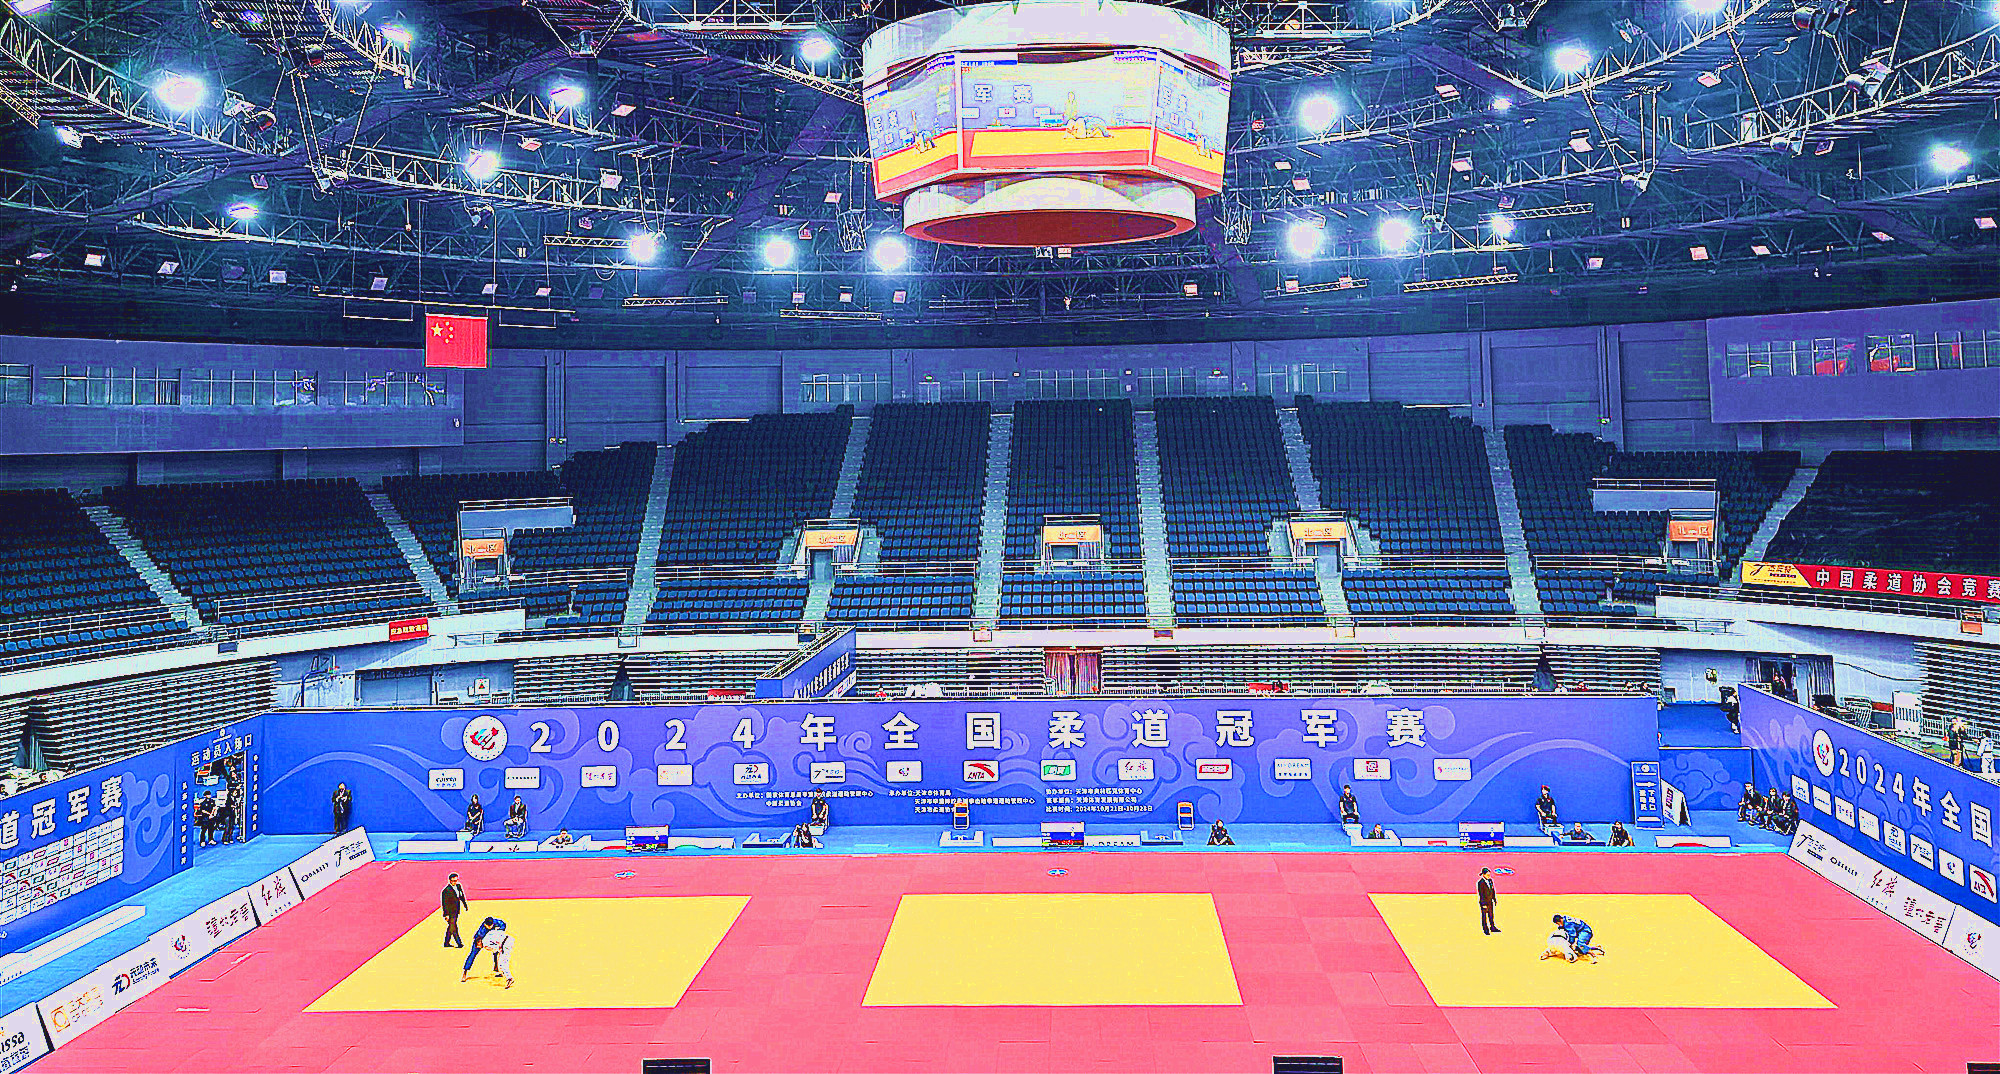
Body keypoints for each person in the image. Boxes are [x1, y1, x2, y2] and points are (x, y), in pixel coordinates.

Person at [461, 916, 512, 987]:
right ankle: (465, 972)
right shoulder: (481, 931)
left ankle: (496, 967)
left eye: (491, 925)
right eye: (488, 926)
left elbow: (503, 925)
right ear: (485, 924)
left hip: (491, 939)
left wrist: (498, 932)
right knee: (472, 955)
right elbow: (481, 940)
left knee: (497, 951)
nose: (490, 927)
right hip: (479, 941)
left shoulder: (495, 922)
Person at [441, 872, 470, 947]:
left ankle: (446, 943)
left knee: (451, 927)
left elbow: (461, 896)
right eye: (453, 881)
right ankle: (459, 943)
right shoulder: (446, 891)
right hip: (450, 912)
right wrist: (446, 914)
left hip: (456, 910)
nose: (455, 882)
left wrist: (465, 904)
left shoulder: (458, 886)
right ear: (450, 881)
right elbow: (444, 904)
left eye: (456, 880)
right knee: (453, 927)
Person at [1477, 868, 1500, 935]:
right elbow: (1481, 894)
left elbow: (1492, 890)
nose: (1489, 876)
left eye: (1489, 875)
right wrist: (1483, 904)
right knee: (1484, 916)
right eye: (1487, 875)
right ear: (1483, 875)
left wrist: (1494, 899)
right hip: (1484, 902)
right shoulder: (1480, 883)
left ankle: (1492, 927)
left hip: (1490, 901)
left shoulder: (1490, 881)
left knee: (1491, 915)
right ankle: (1485, 929)